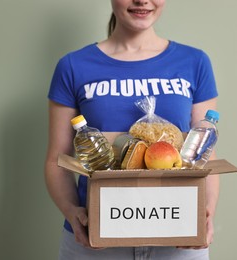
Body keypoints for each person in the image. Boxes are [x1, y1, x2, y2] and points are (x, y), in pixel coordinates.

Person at [44, 0, 219, 259]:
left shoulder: (195, 62)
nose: (141, 0)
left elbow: (205, 154)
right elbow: (56, 159)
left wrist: (205, 214)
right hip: (98, 235)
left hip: (175, 232)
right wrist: (73, 212)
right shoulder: (73, 66)